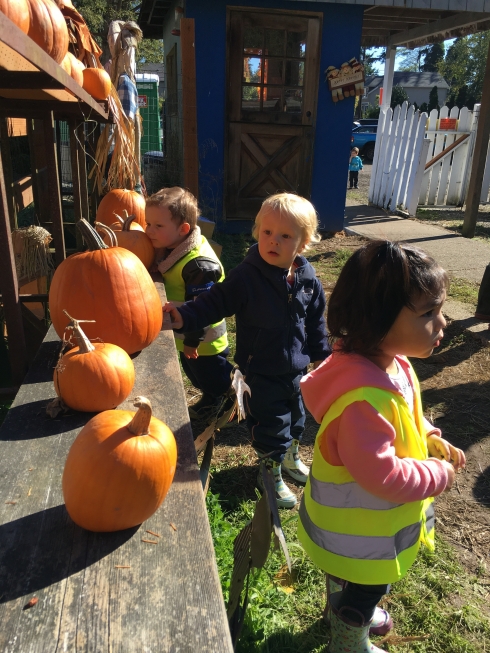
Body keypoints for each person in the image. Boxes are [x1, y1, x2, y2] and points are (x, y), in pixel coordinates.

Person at [297, 240, 466, 652]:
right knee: (366, 586)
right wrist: (437, 475)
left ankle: (348, 609)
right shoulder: (361, 403)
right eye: (428, 313)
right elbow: (383, 475)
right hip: (359, 535)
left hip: (362, 530)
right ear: (376, 318)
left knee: (353, 580)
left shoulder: (393, 362)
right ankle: (348, 638)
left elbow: (405, 411)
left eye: (439, 310)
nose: (442, 323)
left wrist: (427, 436)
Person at [163, 193, 331, 508]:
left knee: (297, 417)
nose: (273, 241)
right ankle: (269, 471)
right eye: (267, 232)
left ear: (303, 243)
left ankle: (290, 458)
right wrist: (185, 314)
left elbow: (315, 319)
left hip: (297, 368)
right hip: (261, 370)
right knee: (271, 424)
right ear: (257, 232)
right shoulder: (247, 276)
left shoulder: (307, 278)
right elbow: (215, 302)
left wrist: (321, 354)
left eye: (285, 236)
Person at [146, 187, 234, 422]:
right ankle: (212, 398)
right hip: (187, 332)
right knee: (197, 376)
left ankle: (233, 400)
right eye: (148, 224)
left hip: (204, 339)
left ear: (183, 229)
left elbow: (202, 307)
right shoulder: (175, 248)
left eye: (158, 226)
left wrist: (193, 340)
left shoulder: (198, 265)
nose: (149, 231)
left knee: (212, 375)